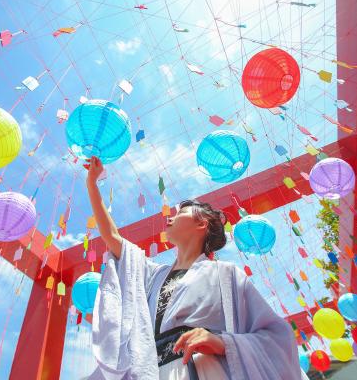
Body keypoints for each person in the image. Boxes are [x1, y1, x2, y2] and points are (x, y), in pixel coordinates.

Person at [84, 156, 302, 380]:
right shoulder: (153, 275)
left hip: (202, 369)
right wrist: (92, 183)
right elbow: (111, 236)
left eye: (180, 213)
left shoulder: (226, 274)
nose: (170, 217)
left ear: (201, 224)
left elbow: (276, 336)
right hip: (148, 372)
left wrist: (222, 342)